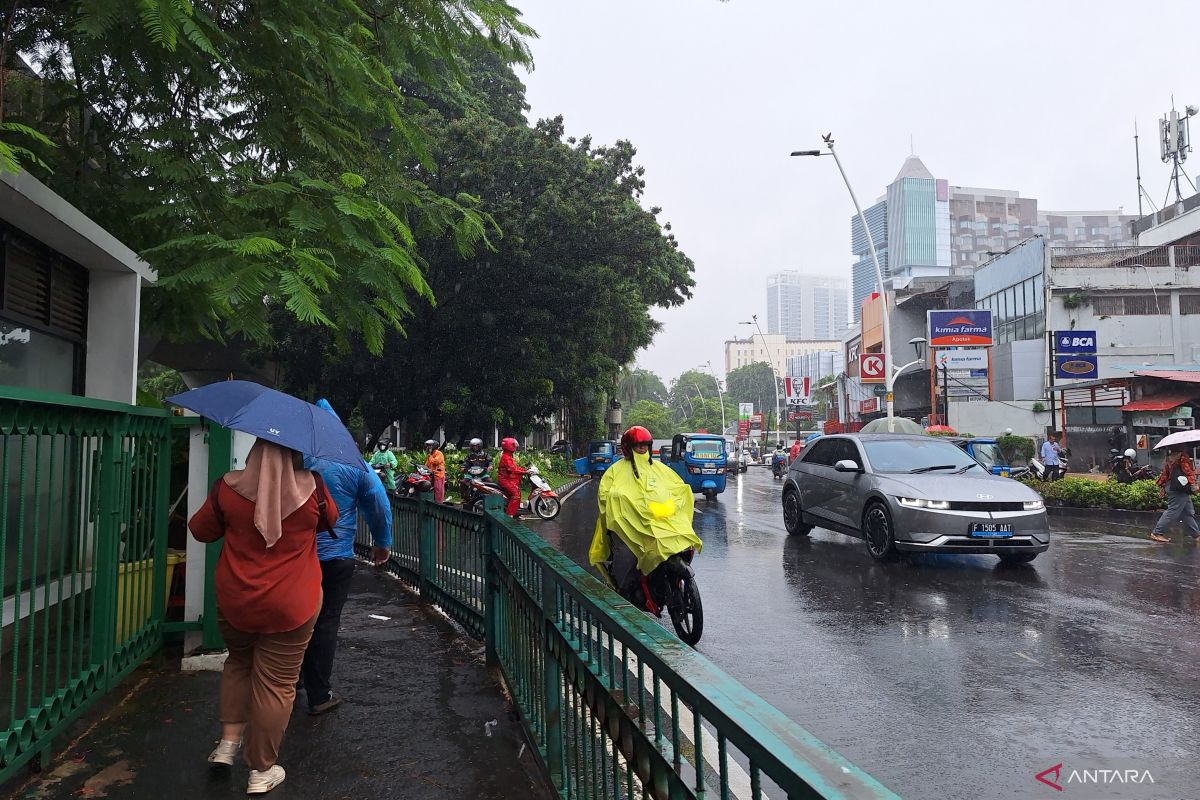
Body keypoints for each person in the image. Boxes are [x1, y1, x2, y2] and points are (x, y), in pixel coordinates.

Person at [188, 440, 338, 795]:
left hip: (236, 599)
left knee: (239, 663)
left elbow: (200, 530)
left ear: (254, 453)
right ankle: (260, 770)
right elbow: (331, 519)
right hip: (293, 603)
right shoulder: (312, 485)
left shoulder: (228, 486)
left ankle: (227, 745)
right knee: (277, 684)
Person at [299, 401, 393, 717]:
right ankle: (319, 693)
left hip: (295, 557)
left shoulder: (296, 457)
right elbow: (378, 504)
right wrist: (382, 543)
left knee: (296, 616)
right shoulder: (353, 463)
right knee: (326, 620)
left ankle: (292, 678)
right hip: (337, 556)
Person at [588, 425, 702, 603]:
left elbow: (676, 487)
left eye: (645, 445)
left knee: (680, 539)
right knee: (627, 554)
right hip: (627, 526)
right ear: (628, 447)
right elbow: (604, 496)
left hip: (658, 522)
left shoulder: (659, 468)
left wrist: (684, 496)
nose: (642, 449)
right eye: (638, 446)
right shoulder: (614, 471)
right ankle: (624, 592)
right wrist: (621, 502)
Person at [1150, 446, 1200, 544]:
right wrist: (1194, 484)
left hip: (1173, 487)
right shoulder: (1183, 458)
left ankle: (1196, 535)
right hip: (1179, 489)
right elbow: (1189, 473)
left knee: (1187, 513)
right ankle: (1157, 533)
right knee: (1172, 511)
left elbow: (1165, 475)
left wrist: (1162, 486)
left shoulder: (1169, 459)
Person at [497, 437, 527, 518]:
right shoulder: (506, 457)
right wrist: (525, 472)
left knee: (517, 494)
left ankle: (516, 513)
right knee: (516, 494)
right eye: (514, 446)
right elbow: (513, 469)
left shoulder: (508, 456)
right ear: (510, 446)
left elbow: (515, 467)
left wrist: (525, 469)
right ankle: (509, 515)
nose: (516, 447)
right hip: (505, 480)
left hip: (508, 479)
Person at [424, 439, 446, 503]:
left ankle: (439, 503)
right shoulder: (430, 454)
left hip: (438, 474)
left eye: (430, 446)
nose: (428, 447)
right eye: (427, 446)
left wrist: (430, 456)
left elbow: (436, 462)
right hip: (431, 473)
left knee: (438, 489)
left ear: (434, 446)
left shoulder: (439, 453)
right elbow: (427, 464)